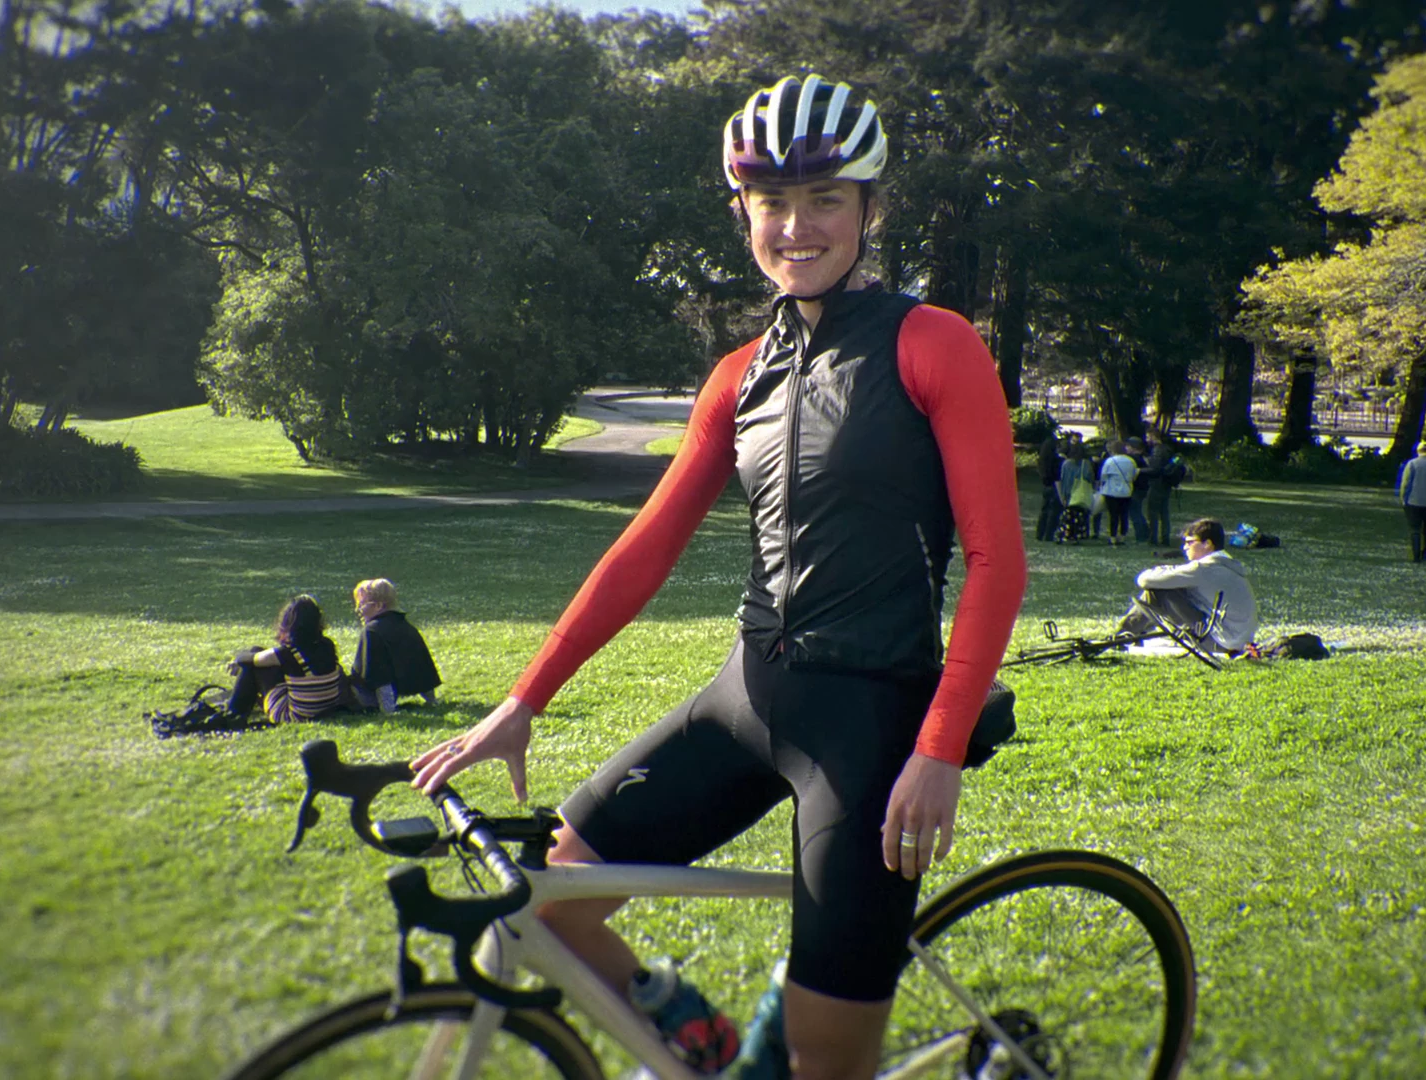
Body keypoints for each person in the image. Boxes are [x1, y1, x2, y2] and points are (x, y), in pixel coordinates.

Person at [409, 73, 1026, 1080]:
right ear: (743, 211)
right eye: (772, 201)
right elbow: (646, 548)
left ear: (870, 209)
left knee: (827, 1066)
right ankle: (696, 1036)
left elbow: (998, 562)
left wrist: (939, 749)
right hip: (745, 698)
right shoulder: (739, 375)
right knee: (546, 904)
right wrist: (524, 700)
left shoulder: (932, 345)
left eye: (825, 198)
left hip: (871, 729)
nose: (797, 226)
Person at [1116, 518, 1258, 653]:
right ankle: (1129, 635)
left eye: (1190, 542)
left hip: (1218, 642)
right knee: (1172, 587)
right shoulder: (1228, 565)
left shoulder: (1203, 569)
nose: (1184, 547)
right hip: (1238, 641)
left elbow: (1144, 580)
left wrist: (1163, 569)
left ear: (1207, 544)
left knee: (1157, 591)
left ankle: (1120, 638)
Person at [224, 594, 348, 724]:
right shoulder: (328, 645)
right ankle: (238, 709)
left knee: (253, 662)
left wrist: (237, 660)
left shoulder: (289, 653)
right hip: (326, 708)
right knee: (259, 655)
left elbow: (250, 659)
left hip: (296, 715)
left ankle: (234, 712)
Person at [349, 578, 441, 711]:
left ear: (378, 606)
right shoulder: (407, 626)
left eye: (361, 604)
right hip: (406, 686)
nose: (358, 609)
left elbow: (377, 674)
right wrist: (431, 700)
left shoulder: (372, 631)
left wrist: (388, 709)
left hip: (375, 697)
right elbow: (422, 667)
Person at [1098, 438, 1138, 546]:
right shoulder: (1131, 461)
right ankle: (1122, 536)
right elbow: (1134, 475)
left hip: (1111, 492)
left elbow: (1103, 476)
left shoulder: (1110, 461)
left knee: (1113, 515)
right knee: (1124, 515)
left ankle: (1112, 537)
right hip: (1126, 491)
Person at [1141, 434, 1176, 548]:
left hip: (1157, 484)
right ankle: (1165, 538)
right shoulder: (1168, 449)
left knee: (1153, 513)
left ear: (1153, 437)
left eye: (1148, 437)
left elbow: (1155, 469)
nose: (1147, 440)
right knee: (1164, 513)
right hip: (1167, 484)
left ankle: (1153, 538)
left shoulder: (1157, 450)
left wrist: (1140, 470)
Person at [1035, 426, 1063, 544]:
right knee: (1054, 511)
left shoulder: (1043, 460)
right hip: (1054, 485)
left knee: (1045, 510)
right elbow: (1056, 475)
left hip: (1046, 484)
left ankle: (1040, 533)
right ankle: (1049, 534)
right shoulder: (1055, 460)